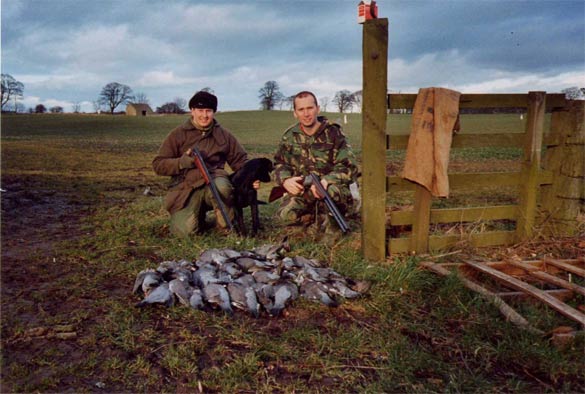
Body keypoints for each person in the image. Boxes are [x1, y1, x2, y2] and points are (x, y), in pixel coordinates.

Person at [153, 90, 254, 237]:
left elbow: (240, 160)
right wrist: (182, 162)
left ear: (214, 112)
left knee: (222, 187)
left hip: (214, 180)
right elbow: (158, 165)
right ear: (192, 111)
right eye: (200, 110)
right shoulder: (177, 134)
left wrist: (251, 176)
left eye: (208, 111)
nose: (204, 115)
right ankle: (197, 217)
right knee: (184, 234)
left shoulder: (224, 135)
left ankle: (227, 227)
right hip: (186, 189)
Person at [273, 91, 358, 235]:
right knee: (285, 216)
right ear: (295, 113)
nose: (306, 114)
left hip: (331, 190)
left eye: (310, 108)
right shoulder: (289, 136)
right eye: (301, 109)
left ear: (317, 109)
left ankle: (334, 222)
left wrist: (327, 180)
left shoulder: (334, 133)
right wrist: (286, 180)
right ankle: (317, 217)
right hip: (305, 191)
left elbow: (349, 167)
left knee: (331, 193)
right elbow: (280, 163)